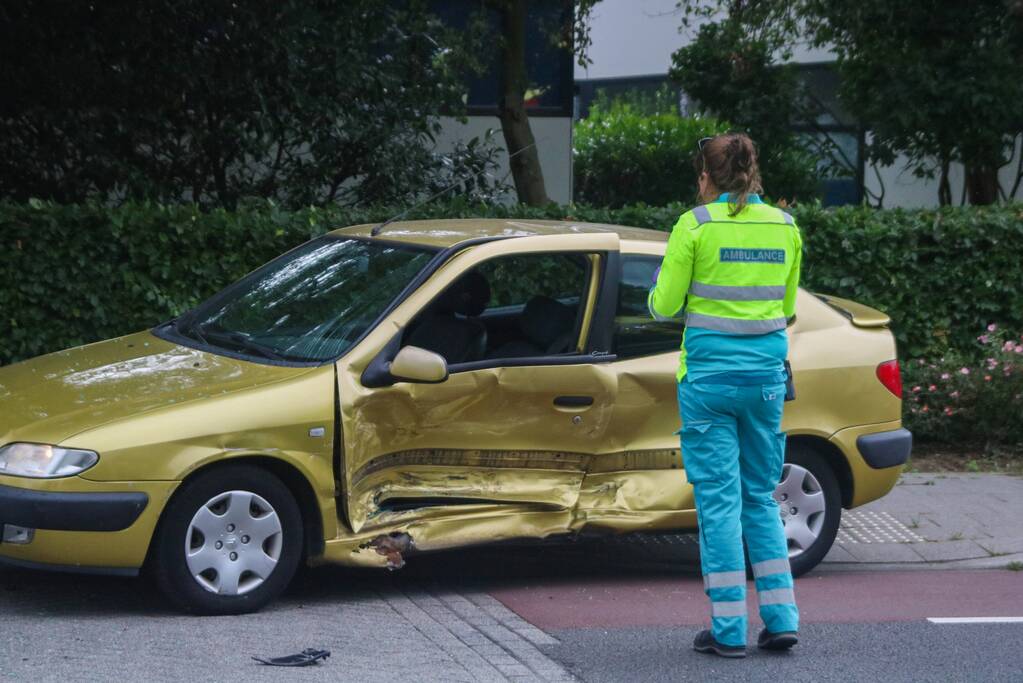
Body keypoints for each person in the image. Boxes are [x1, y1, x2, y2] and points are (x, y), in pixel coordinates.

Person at [648, 133, 802, 658]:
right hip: (765, 383)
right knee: (760, 497)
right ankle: (781, 620)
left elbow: (664, 305)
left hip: (709, 384)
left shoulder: (695, 225)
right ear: (753, 174)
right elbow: (787, 306)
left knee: (719, 504)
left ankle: (729, 630)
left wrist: (656, 290)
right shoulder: (785, 227)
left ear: (705, 178)